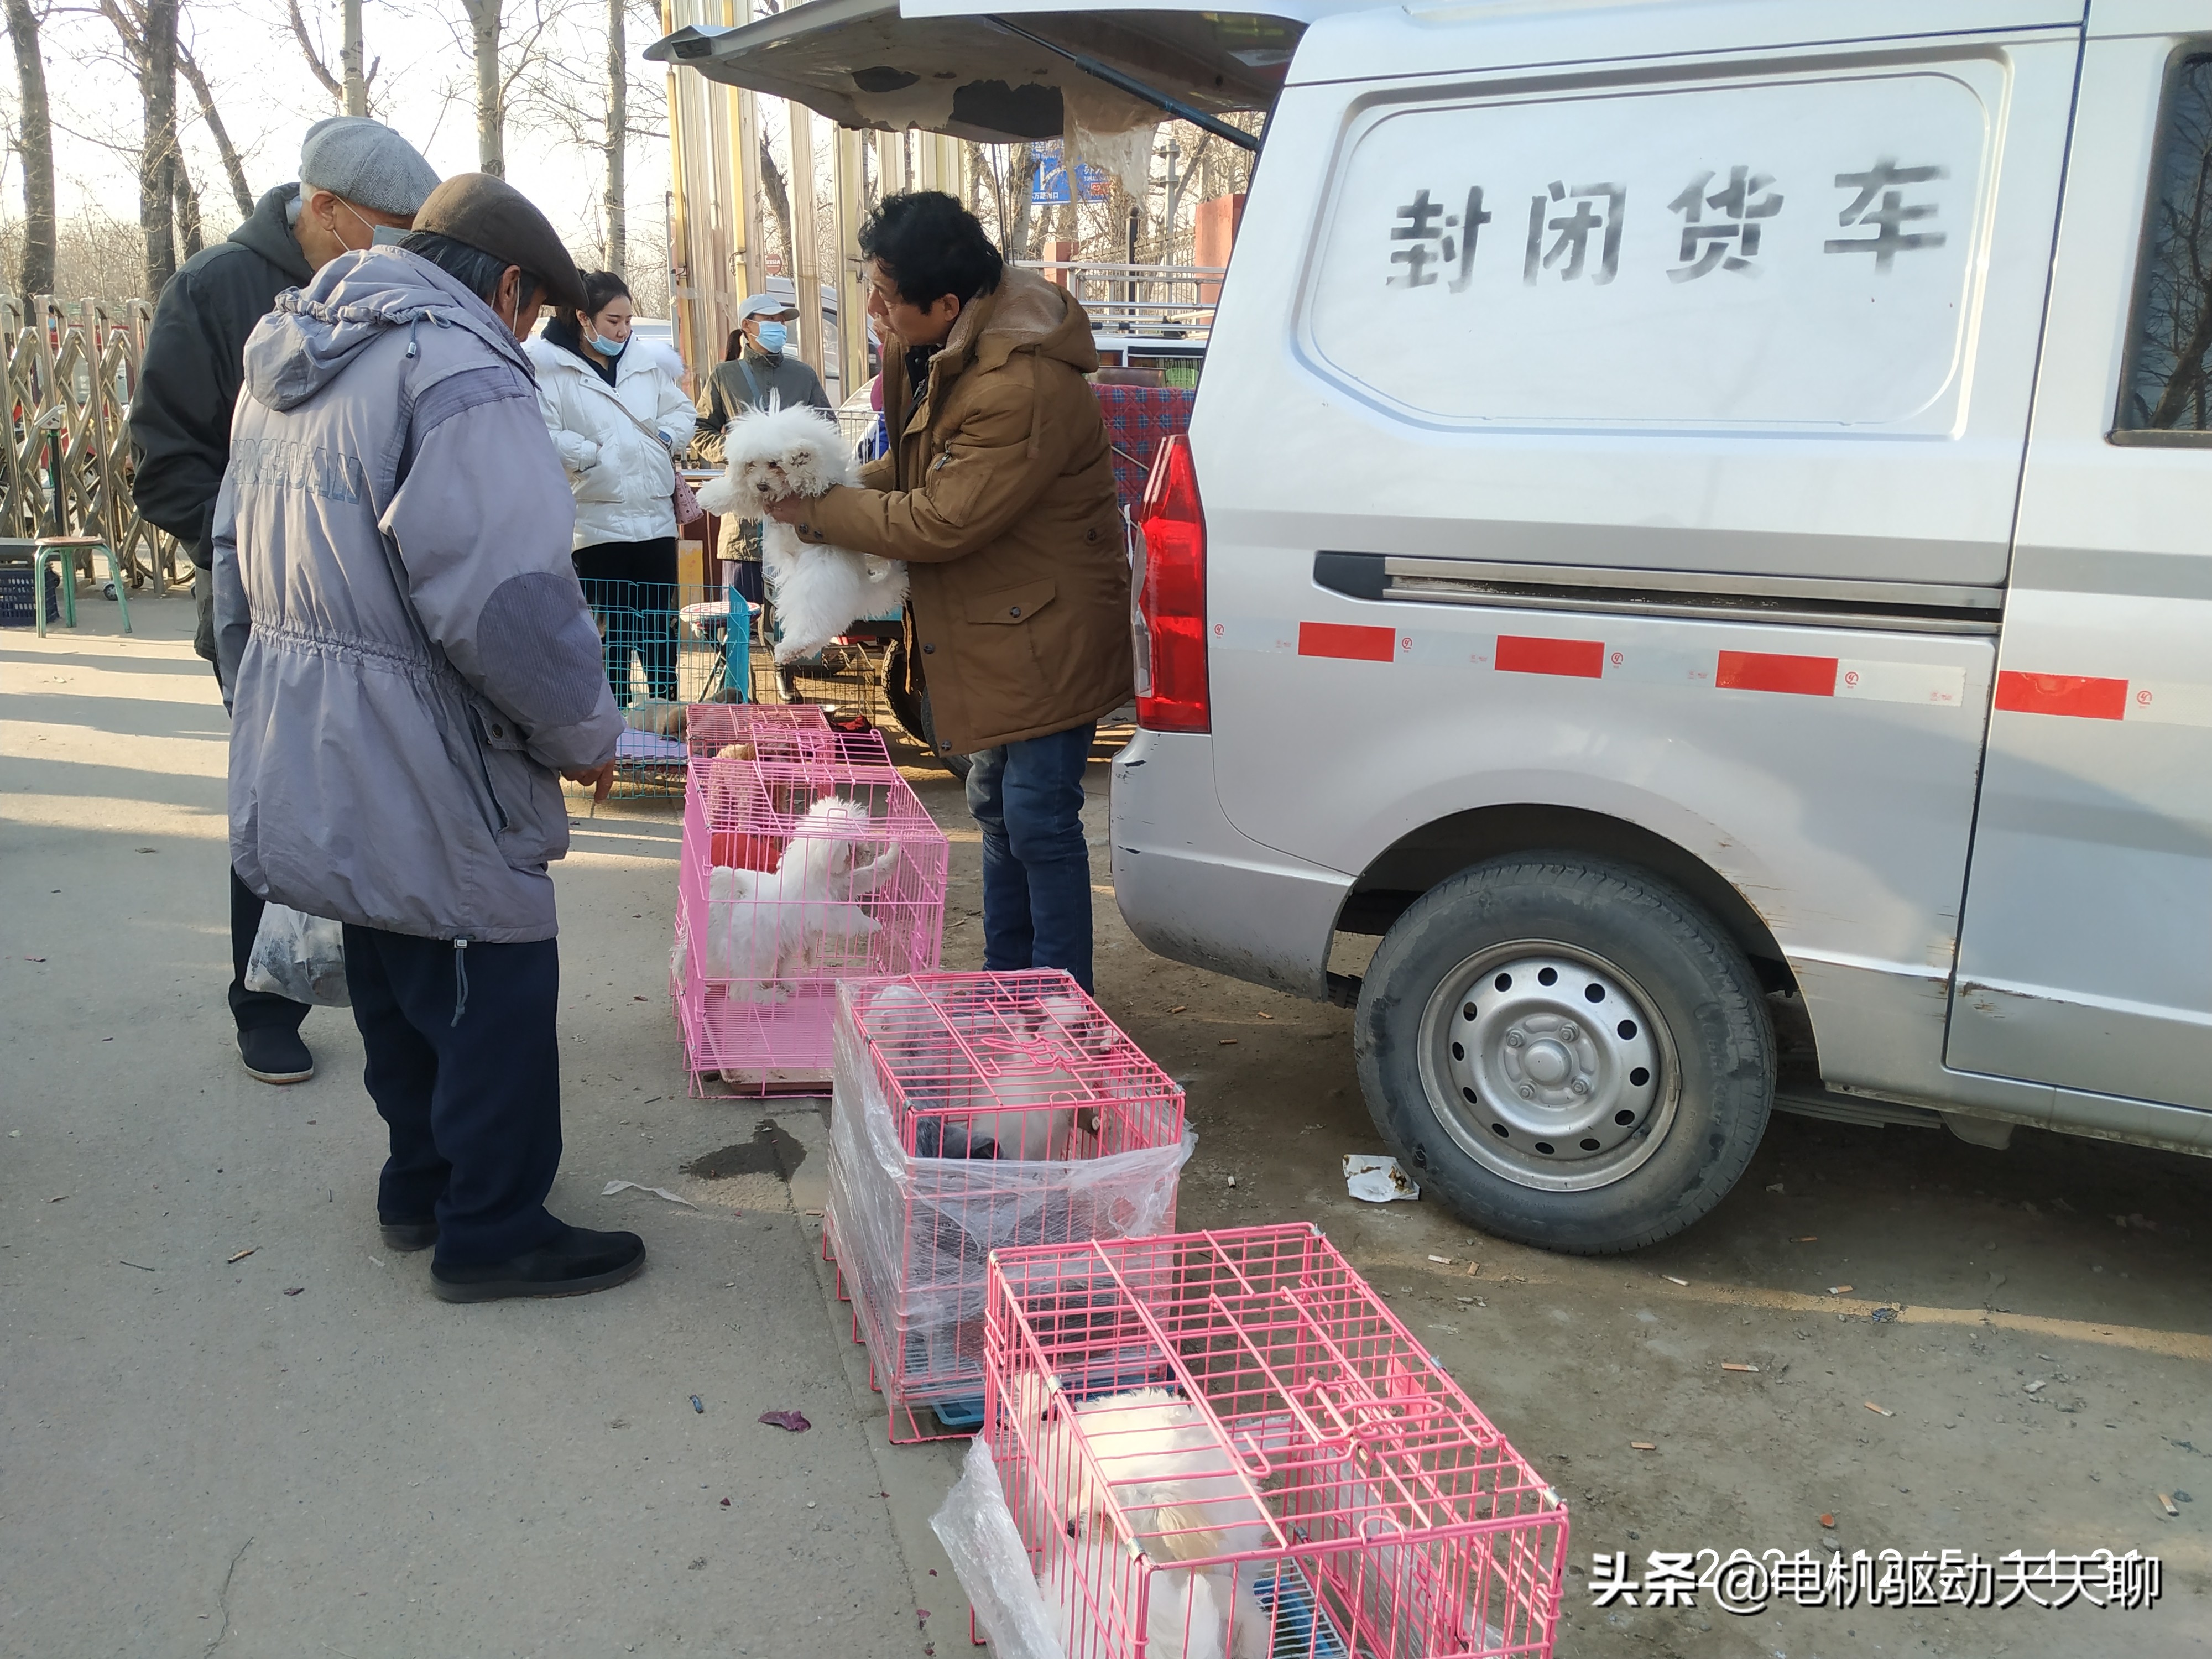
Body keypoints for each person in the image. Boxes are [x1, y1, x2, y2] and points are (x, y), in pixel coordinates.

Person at [211, 173, 644, 1303]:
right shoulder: (458, 370)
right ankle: (492, 1228)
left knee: (392, 953)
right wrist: (584, 732)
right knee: (487, 976)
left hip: (307, 715)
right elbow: (505, 600)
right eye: (533, 312)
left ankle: (420, 1184)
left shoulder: (293, 356)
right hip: (428, 732)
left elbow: (230, 559)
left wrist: (258, 698)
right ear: (509, 289)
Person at [129, 115, 439, 1088]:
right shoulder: (215, 289)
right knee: (281, 800)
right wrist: (259, 548)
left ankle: (381, 988)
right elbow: (164, 466)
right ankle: (265, 1003)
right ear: (326, 207)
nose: (398, 247)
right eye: (389, 227)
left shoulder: (393, 288)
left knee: (379, 794)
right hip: (265, 605)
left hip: (376, 607)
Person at [765, 192, 1130, 992]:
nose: (874, 308)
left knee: (1037, 817)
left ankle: (1059, 1001)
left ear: (948, 303)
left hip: (1046, 628)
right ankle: (1008, 984)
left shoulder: (1021, 383)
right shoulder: (934, 348)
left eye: (886, 295)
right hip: (991, 622)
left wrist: (817, 511)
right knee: (997, 804)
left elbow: (941, 516)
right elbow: (912, 470)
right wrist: (817, 486)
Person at [526, 269, 696, 708]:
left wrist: (665, 437)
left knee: (660, 630)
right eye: (613, 321)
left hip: (655, 520)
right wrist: (590, 453)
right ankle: (611, 722)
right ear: (584, 318)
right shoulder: (548, 368)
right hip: (596, 522)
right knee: (609, 633)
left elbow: (682, 411)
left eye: (628, 321)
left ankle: (665, 714)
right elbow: (541, 433)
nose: (623, 331)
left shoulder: (646, 363)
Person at [693, 293, 830, 607]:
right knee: (742, 617)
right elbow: (699, 430)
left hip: (795, 515)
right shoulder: (725, 375)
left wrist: (800, 460)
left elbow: (827, 428)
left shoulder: (803, 375)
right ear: (747, 326)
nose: (779, 326)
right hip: (743, 522)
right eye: (770, 320)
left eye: (782, 321)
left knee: (796, 609)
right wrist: (739, 452)